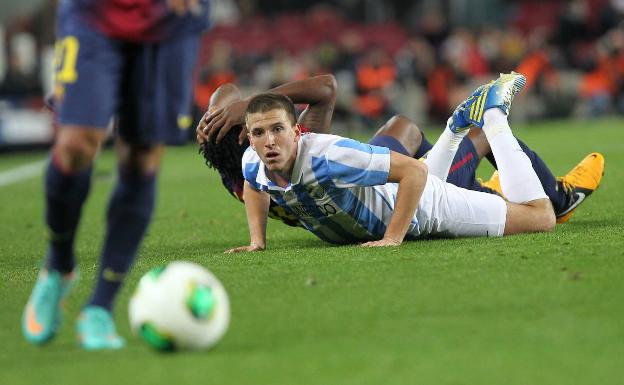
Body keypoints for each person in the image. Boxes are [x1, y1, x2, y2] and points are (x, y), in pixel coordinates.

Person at [22, 0, 210, 350]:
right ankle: (59, 264)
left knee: (142, 155)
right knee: (75, 143)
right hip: (94, 13)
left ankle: (100, 307)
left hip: (170, 20)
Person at [196, 75, 604, 229]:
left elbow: (225, 99)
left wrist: (228, 111)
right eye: (254, 128)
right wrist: (244, 105)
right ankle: (555, 196)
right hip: (403, 197)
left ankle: (476, 181)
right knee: (478, 138)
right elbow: (326, 88)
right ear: (245, 136)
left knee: (402, 129)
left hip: (376, 192)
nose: (267, 139)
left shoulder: (247, 169)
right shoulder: (309, 153)